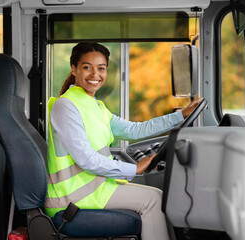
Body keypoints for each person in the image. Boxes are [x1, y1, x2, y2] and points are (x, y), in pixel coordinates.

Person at [44, 42, 202, 240]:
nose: (95, 74)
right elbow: (87, 160)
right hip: (71, 198)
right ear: (74, 69)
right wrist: (134, 169)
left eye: (101, 68)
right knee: (152, 201)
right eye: (87, 67)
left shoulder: (96, 107)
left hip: (95, 188)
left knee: (158, 194)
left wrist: (180, 116)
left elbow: (135, 130)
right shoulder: (66, 106)